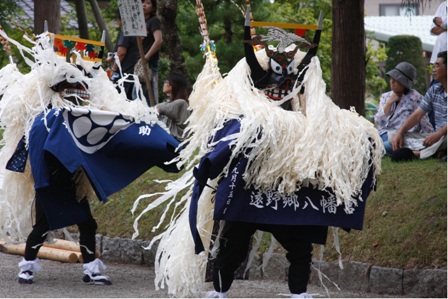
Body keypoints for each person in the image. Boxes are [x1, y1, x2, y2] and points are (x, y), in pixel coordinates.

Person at [390, 51, 447, 162]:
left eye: (437, 66)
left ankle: (419, 154)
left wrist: (438, 134)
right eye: (433, 66)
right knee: (393, 135)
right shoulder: (435, 90)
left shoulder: (414, 95)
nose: (434, 70)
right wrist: (400, 133)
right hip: (436, 138)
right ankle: (437, 152)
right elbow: (417, 115)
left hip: (444, 136)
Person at [374, 62, 433, 155]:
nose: (392, 81)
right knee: (370, 143)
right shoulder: (385, 97)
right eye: (391, 78)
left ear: (404, 83)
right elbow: (378, 122)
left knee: (379, 148)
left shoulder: (415, 98)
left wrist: (430, 142)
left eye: (396, 79)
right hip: (382, 135)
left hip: (401, 138)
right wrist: (389, 103)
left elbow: (424, 123)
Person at [110, 0, 162, 104]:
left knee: (141, 93)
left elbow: (159, 41)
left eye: (148, 3)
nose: (144, 5)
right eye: (142, 2)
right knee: (137, 93)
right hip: (139, 62)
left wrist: (146, 57)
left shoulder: (154, 21)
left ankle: (146, 116)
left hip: (148, 62)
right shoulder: (138, 22)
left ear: (153, 7)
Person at [155, 73, 191, 142]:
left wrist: (153, 110)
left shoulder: (182, 103)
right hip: (169, 140)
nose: (164, 84)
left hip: (176, 143)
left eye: (166, 82)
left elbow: (162, 109)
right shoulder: (169, 103)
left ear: (173, 85)